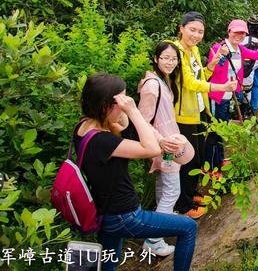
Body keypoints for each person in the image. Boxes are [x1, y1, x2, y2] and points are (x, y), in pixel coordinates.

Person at [75, 73, 197, 271]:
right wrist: (133, 111)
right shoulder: (103, 142)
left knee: (108, 263)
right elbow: (150, 149)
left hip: (105, 212)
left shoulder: (84, 127)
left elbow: (121, 125)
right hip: (124, 215)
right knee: (188, 227)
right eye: (120, 101)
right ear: (106, 105)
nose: (124, 104)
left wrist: (125, 111)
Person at [172, 12, 237, 219]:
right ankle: (183, 205)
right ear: (181, 28)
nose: (196, 35)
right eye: (192, 30)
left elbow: (202, 76)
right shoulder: (177, 51)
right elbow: (189, 83)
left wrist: (212, 64)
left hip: (200, 110)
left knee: (199, 156)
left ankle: (191, 193)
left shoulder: (195, 51)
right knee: (188, 161)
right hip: (183, 115)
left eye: (200, 31)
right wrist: (223, 86)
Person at [137, 41, 195, 256]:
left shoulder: (163, 81)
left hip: (167, 141)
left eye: (174, 58)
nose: (170, 62)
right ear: (156, 59)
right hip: (164, 144)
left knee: (164, 188)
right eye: (165, 58)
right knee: (172, 190)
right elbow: (143, 120)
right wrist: (160, 142)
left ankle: (159, 229)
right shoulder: (152, 86)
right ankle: (153, 240)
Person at [207, 19, 258, 123]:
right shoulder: (218, 48)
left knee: (226, 123)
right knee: (217, 125)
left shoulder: (240, 49)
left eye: (243, 33)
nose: (239, 35)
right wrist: (221, 57)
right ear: (229, 32)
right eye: (236, 32)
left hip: (232, 95)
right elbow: (212, 71)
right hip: (218, 94)